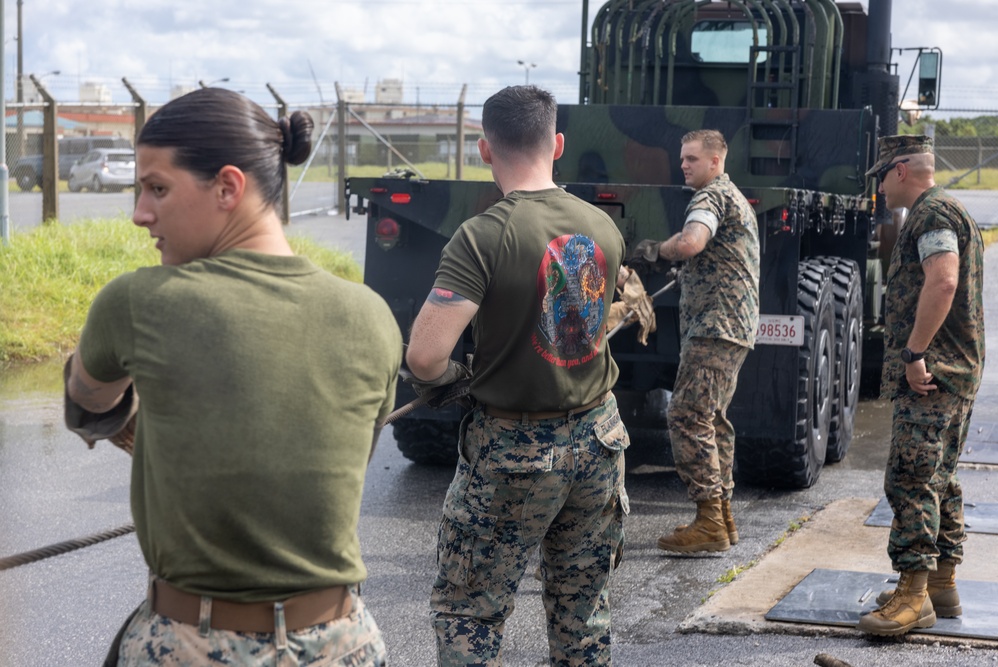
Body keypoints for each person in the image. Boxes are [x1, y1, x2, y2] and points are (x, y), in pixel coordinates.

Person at [63, 88, 401, 666]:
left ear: (227, 187)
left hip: (194, 643)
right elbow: (339, 461)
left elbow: (87, 402)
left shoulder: (137, 303)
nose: (141, 213)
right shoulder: (371, 315)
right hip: (343, 644)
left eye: (157, 188)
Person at [404, 85, 629, 666]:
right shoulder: (602, 226)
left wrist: (457, 377)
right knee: (583, 615)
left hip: (515, 452)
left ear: (484, 149)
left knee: (469, 614)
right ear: (557, 144)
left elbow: (425, 358)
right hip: (600, 440)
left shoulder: (482, 236)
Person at [857, 134, 984, 637]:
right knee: (939, 478)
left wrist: (914, 354)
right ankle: (941, 585)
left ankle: (913, 597)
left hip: (934, 375)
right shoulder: (948, 208)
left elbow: (944, 280)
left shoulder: (931, 215)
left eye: (882, 178)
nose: (880, 189)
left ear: (901, 170)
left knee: (910, 479)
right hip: (954, 371)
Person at [633, 129, 760, 554]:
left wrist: (655, 250)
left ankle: (708, 520)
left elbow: (691, 242)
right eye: (682, 158)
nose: (683, 165)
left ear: (715, 161)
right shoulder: (736, 198)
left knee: (686, 415)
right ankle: (722, 518)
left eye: (691, 159)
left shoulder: (711, 198)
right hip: (733, 327)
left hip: (715, 327)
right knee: (712, 418)